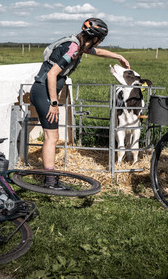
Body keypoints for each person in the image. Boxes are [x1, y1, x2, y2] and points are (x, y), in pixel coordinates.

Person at [30, 18, 130, 189]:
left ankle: (50, 177)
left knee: (52, 136)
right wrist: (54, 102)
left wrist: (118, 56)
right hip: (43, 92)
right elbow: (52, 74)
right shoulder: (74, 48)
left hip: (44, 91)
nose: (99, 43)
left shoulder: (79, 44)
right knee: (51, 137)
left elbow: (96, 52)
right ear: (97, 37)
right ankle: (50, 181)